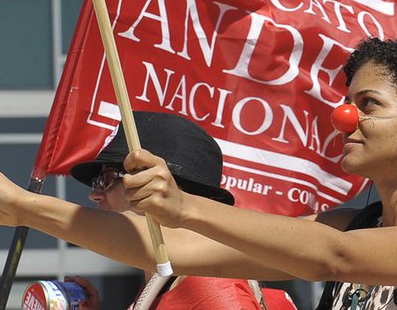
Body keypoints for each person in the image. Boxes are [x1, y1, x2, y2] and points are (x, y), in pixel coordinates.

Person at [0, 25, 397, 309]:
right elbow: (162, 250)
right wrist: (19, 205)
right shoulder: (352, 224)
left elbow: (333, 260)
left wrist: (185, 204)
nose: (344, 115)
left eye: (367, 104)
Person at [64, 111, 296, 309]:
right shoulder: (169, 285)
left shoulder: (207, 290)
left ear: (158, 187)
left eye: (106, 179)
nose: (94, 194)